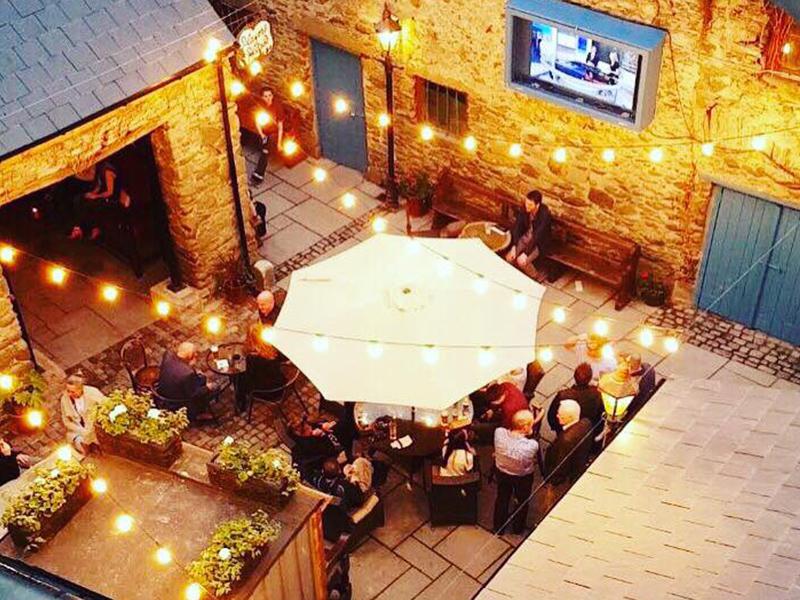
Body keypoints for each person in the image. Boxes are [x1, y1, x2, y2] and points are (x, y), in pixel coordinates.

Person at [535, 400, 593, 522]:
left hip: (561, 481)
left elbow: (559, 466)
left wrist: (551, 481)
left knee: (550, 504)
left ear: (570, 418)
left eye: (560, 415)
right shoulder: (586, 423)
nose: (557, 416)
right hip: (576, 468)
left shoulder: (565, 441)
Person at [493, 410, 539, 534]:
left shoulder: (499, 433)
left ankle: (498, 527)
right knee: (522, 501)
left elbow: (505, 430)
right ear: (525, 427)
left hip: (502, 472)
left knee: (502, 498)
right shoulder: (531, 445)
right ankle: (518, 528)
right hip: (522, 477)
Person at [70, 161, 131, 240]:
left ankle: (94, 229)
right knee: (79, 199)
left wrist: (96, 196)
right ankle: (78, 228)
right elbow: (99, 186)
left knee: (91, 205)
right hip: (104, 197)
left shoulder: (107, 171)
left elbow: (110, 192)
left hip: (113, 200)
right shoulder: (99, 171)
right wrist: (91, 194)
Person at [157, 342, 218, 421]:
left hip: (164, 389)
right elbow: (194, 394)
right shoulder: (187, 374)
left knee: (201, 378)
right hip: (177, 400)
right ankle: (197, 414)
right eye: (194, 353)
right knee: (213, 388)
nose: (196, 354)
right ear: (190, 356)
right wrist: (208, 387)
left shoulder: (168, 354)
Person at [546, 363, 604, 434]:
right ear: (590, 378)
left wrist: (556, 428)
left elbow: (551, 415)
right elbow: (600, 413)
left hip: (565, 429)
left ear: (574, 376)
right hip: (586, 428)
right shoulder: (596, 393)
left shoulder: (563, 396)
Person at [241, 323, 286, 412]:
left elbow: (250, 376)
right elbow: (282, 359)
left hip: (268, 392)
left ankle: (241, 404)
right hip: (281, 385)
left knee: (239, 379)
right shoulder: (271, 347)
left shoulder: (253, 358)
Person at [505, 190, 552, 274]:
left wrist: (526, 253)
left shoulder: (545, 215)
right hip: (525, 238)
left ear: (537, 205)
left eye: (530, 205)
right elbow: (518, 226)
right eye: (526, 203)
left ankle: (534, 276)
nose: (527, 206)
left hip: (538, 244)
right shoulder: (525, 209)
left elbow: (537, 236)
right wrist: (514, 246)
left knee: (521, 261)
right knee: (509, 258)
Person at [60, 372, 106, 454]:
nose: (69, 394)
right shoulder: (64, 399)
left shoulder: (93, 392)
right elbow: (66, 421)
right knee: (80, 446)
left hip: (95, 429)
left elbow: (106, 406)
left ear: (81, 388)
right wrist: (81, 430)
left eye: (73, 392)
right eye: (68, 391)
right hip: (78, 431)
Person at [251, 88, 285, 185]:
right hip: (265, 132)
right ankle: (259, 174)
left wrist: (279, 143)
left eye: (270, 95)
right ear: (262, 97)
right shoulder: (261, 106)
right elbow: (257, 121)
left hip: (274, 133)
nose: (268, 98)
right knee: (265, 148)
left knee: (265, 150)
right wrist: (262, 134)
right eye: (265, 96)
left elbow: (280, 126)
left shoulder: (277, 106)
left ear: (272, 96)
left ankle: (259, 173)